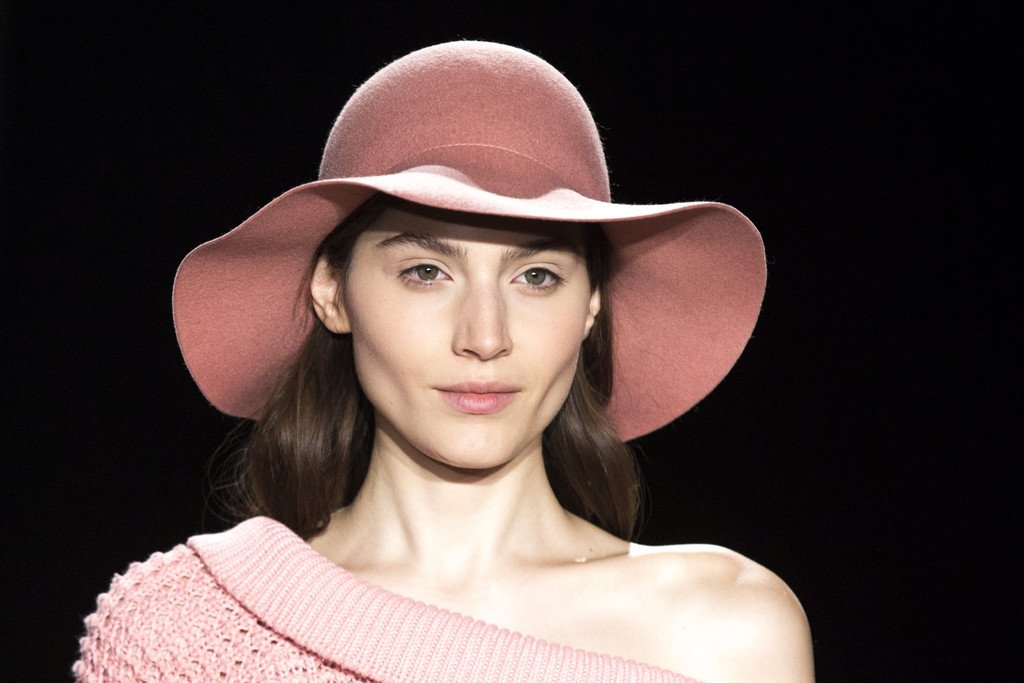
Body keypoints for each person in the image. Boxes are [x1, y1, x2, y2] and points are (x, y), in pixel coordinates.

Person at [75, 41, 813, 681]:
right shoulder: (184, 631)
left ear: (591, 306)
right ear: (332, 292)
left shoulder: (726, 633)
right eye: (426, 272)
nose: (485, 337)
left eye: (537, 277)